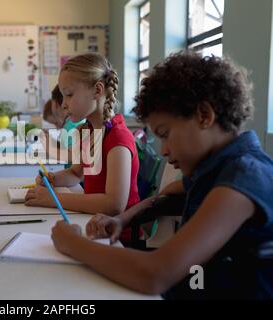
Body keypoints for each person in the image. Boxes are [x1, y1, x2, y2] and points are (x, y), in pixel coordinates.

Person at [51, 51, 273, 299]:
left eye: (166, 134)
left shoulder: (242, 179)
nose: (164, 150)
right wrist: (123, 220)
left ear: (204, 115)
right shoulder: (217, 167)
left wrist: (73, 244)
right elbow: (167, 198)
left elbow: (156, 274)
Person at [25, 53, 140, 217]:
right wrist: (52, 180)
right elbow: (76, 174)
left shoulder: (118, 139)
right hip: (92, 221)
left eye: (69, 95)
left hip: (117, 236)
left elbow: (114, 205)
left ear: (97, 91)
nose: (64, 104)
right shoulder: (87, 131)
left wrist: (53, 198)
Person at [42, 85, 85, 166]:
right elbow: (67, 149)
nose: (57, 127)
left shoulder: (71, 125)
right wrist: (51, 141)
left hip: (73, 177)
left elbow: (74, 156)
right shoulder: (75, 123)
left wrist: (50, 149)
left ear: (54, 104)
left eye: (56, 123)